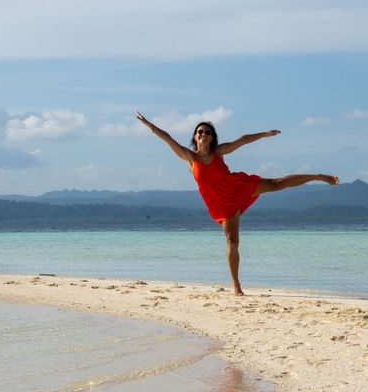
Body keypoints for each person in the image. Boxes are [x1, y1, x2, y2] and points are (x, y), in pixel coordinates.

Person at [135, 110, 339, 295]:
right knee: (232, 242)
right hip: (222, 204)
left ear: (212, 137)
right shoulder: (189, 157)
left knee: (277, 184)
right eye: (200, 132)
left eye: (207, 132)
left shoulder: (219, 152)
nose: (203, 134)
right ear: (195, 137)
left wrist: (264, 134)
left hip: (237, 187)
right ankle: (236, 286)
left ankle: (319, 176)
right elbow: (168, 139)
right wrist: (148, 124)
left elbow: (241, 140)